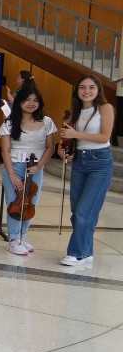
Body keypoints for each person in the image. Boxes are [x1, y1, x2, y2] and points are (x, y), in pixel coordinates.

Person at [59, 75, 115, 268]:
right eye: (82, 87)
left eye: (91, 87)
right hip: (80, 161)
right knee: (77, 212)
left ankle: (75, 253)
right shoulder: (75, 111)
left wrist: (75, 134)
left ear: (98, 89)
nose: (87, 91)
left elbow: (104, 136)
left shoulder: (105, 108)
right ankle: (86, 251)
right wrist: (65, 148)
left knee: (84, 211)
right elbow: (71, 139)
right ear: (77, 90)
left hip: (100, 163)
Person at [0, 81, 56, 257]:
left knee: (31, 202)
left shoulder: (47, 122)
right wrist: (12, 174)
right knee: (15, 202)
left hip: (35, 167)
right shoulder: (10, 122)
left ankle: (23, 236)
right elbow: (5, 150)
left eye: (35, 100)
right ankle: (13, 239)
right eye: (27, 100)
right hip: (14, 165)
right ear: (19, 101)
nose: (31, 103)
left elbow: (50, 148)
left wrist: (39, 166)